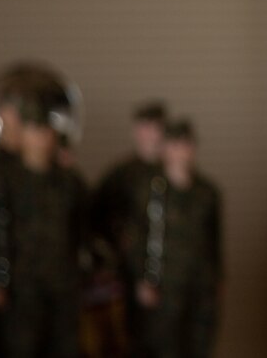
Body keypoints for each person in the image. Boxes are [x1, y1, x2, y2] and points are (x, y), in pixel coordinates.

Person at [0, 99, 89, 357]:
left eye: (47, 130)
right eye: (35, 130)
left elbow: (83, 226)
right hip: (22, 287)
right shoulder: (4, 177)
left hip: (62, 284)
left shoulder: (68, 180)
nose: (42, 138)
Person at [132, 119, 222, 358]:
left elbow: (214, 240)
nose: (182, 151)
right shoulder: (152, 191)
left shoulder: (207, 192)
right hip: (165, 289)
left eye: (186, 144)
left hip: (200, 286)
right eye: (175, 145)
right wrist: (143, 279)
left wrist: (218, 279)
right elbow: (137, 239)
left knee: (200, 346)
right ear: (165, 149)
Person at [91, 100, 168, 351]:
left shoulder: (172, 172)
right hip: (130, 274)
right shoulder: (122, 175)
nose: (151, 135)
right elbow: (94, 217)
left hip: (171, 273)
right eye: (145, 128)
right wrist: (113, 251)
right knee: (134, 339)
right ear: (137, 131)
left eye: (157, 128)